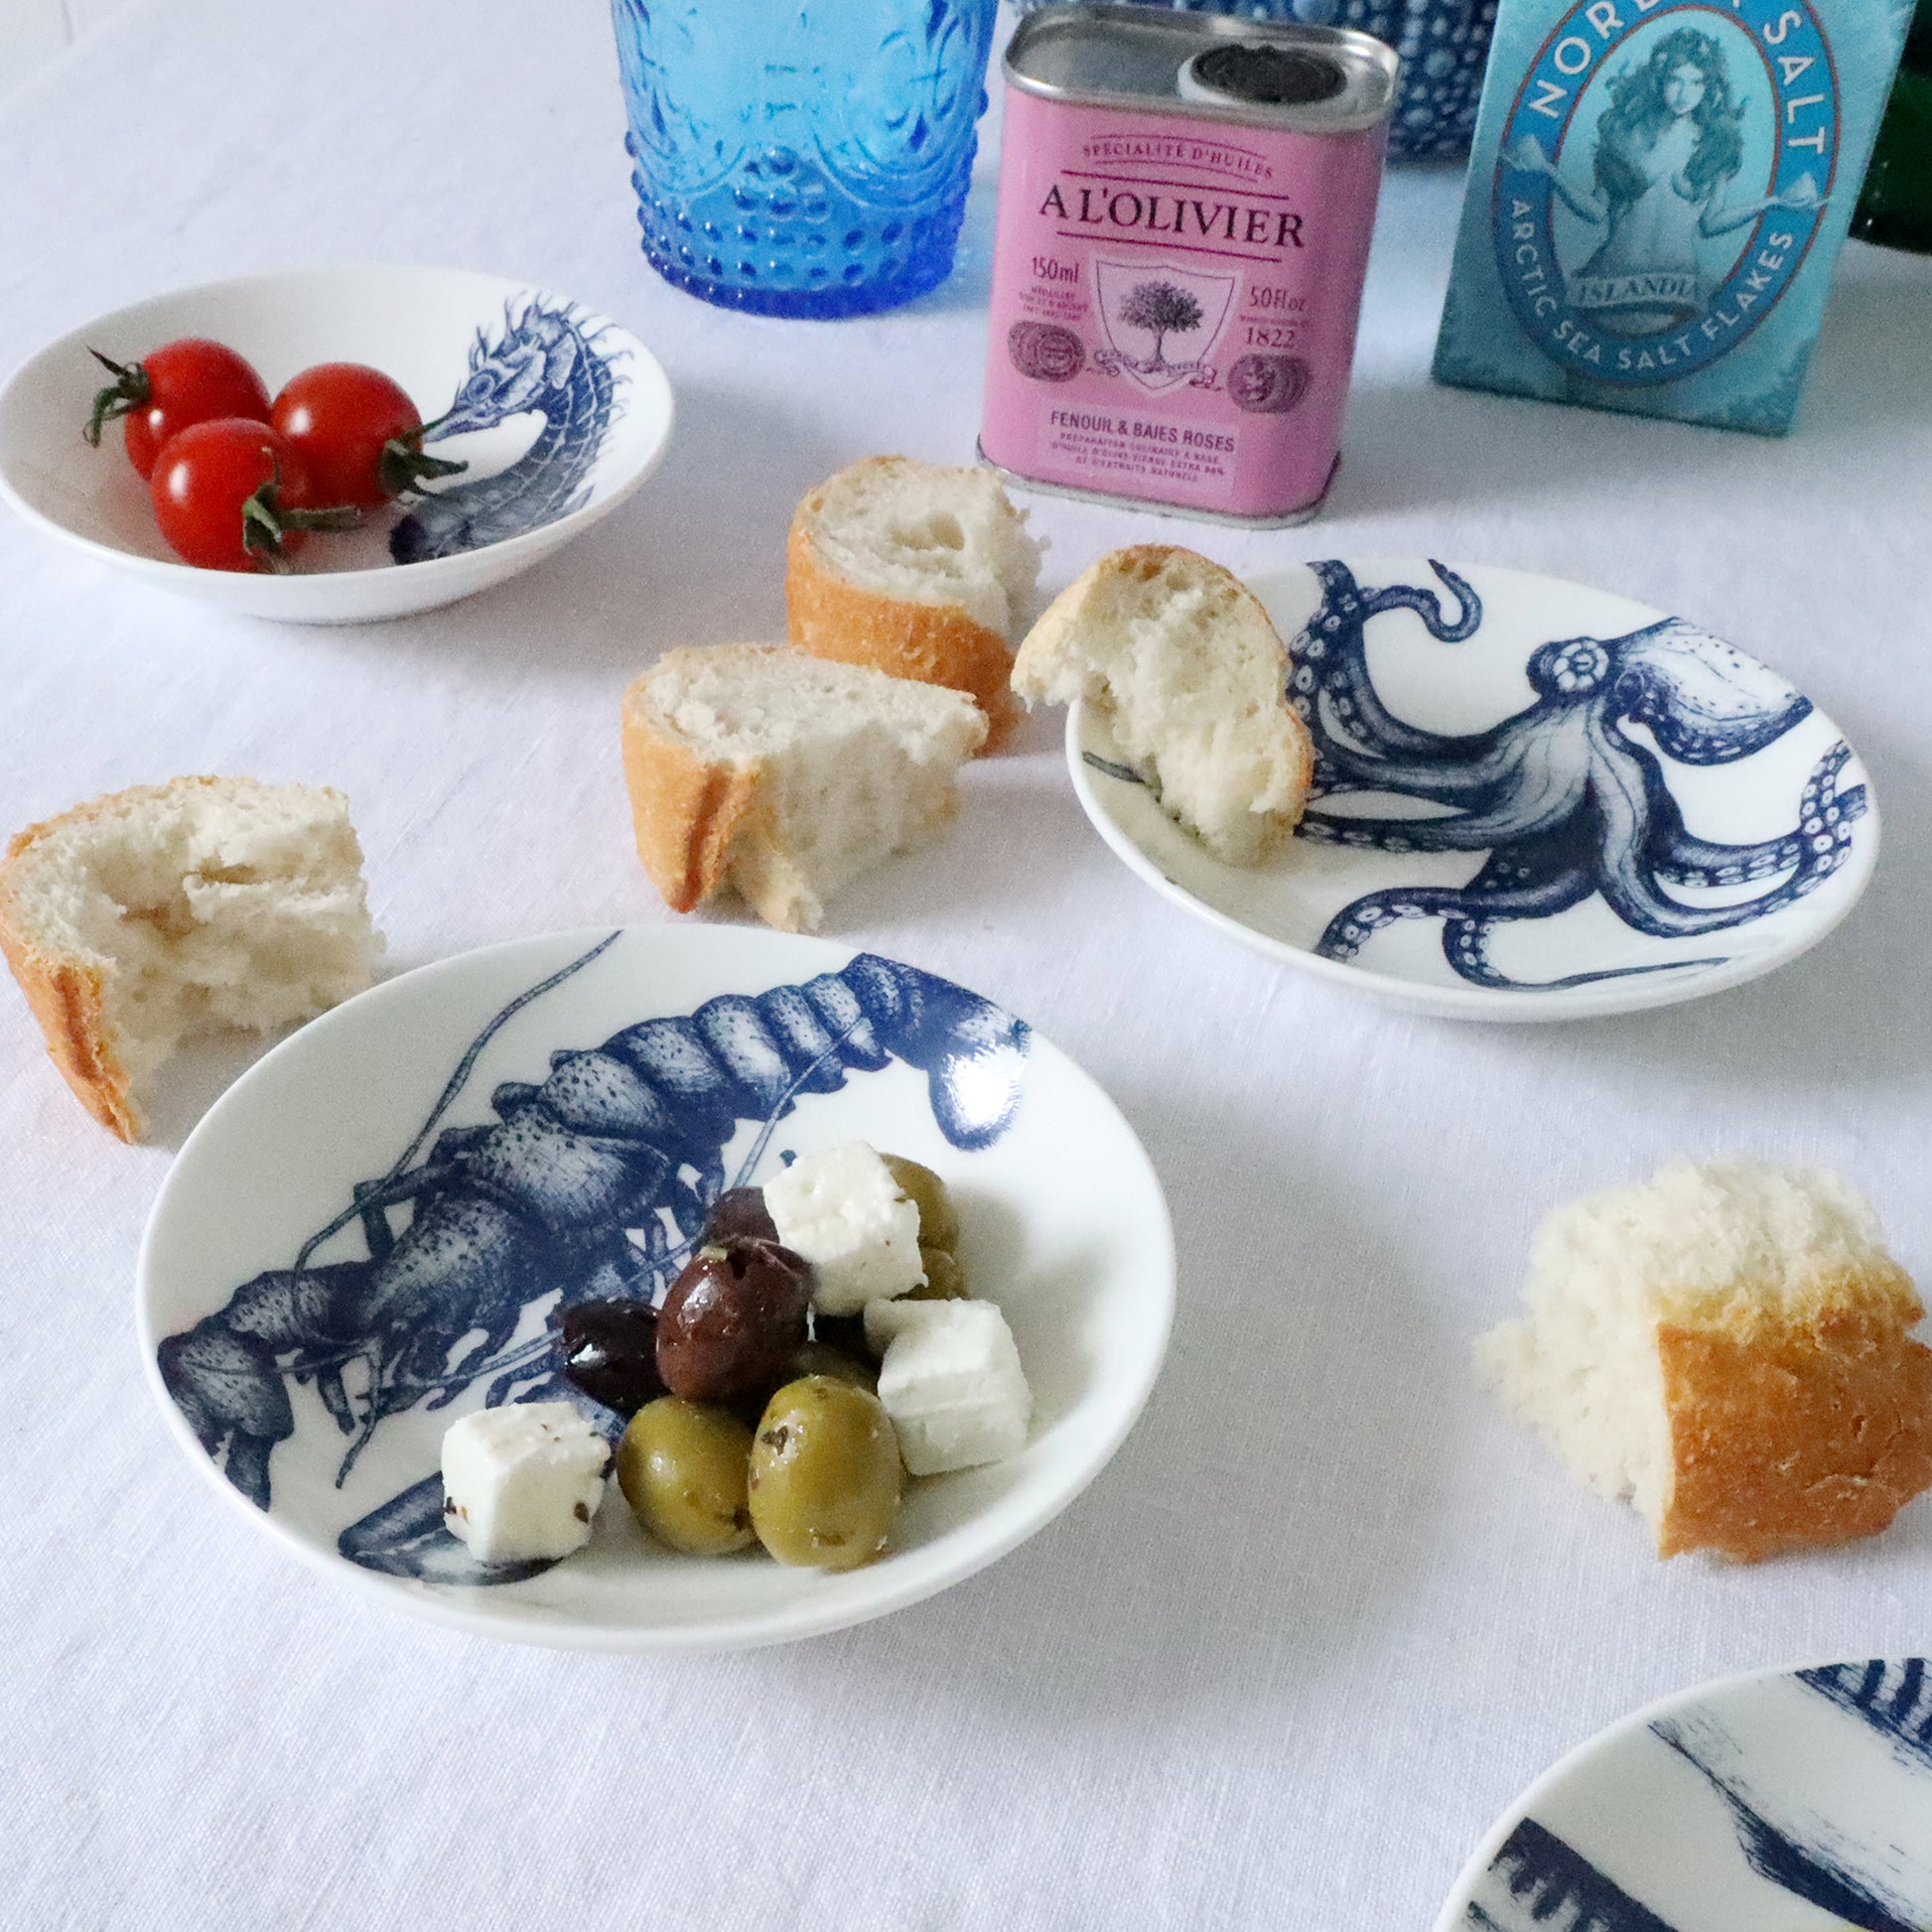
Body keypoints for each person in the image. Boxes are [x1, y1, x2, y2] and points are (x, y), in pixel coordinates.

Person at [1508, 27, 1821, 336]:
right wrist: (1549, 172)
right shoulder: (1623, 135)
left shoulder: (1713, 147)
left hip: (1678, 293)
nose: (1685, 93)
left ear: (1709, 88)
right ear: (1659, 80)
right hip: (1607, 283)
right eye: (1675, 80)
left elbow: (1711, 223)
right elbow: (1596, 210)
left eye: (1696, 82)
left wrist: (1771, 203)